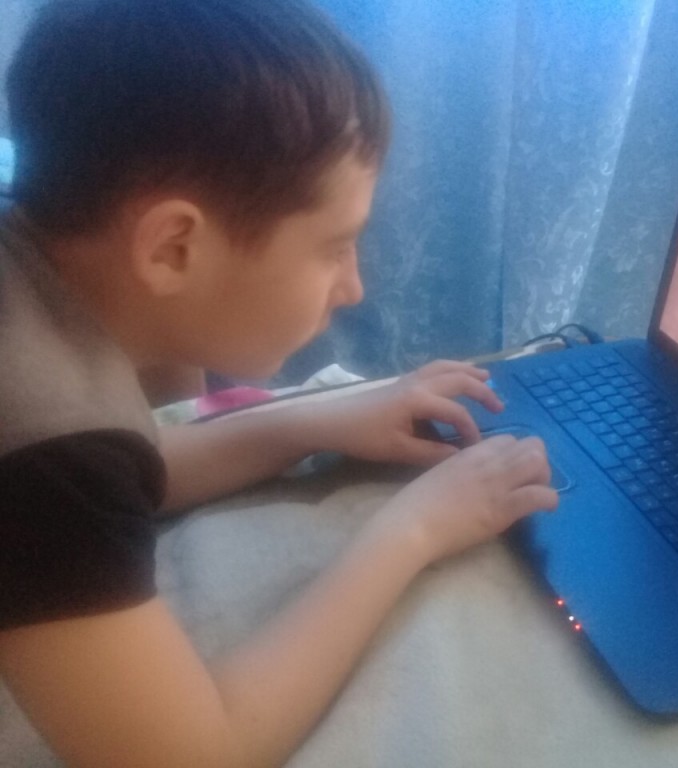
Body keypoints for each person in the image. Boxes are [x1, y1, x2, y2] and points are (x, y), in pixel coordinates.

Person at [0, 1, 558, 765]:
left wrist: (316, 420)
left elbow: (125, 471)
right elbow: (198, 755)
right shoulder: (45, 449)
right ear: (172, 248)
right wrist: (415, 528)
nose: (353, 287)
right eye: (334, 247)